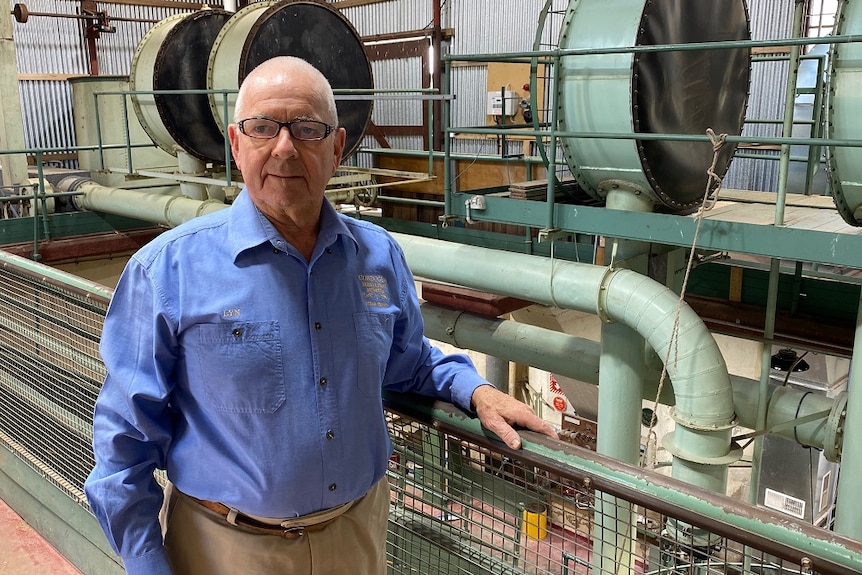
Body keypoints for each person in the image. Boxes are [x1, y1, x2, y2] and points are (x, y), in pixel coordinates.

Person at [84, 55, 557, 575]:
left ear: (337, 148)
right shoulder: (167, 271)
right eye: (263, 128)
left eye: (307, 129)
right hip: (226, 548)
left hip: (356, 535)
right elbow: (123, 447)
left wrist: (475, 390)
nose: (284, 147)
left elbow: (409, 362)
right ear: (236, 146)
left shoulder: (376, 256)